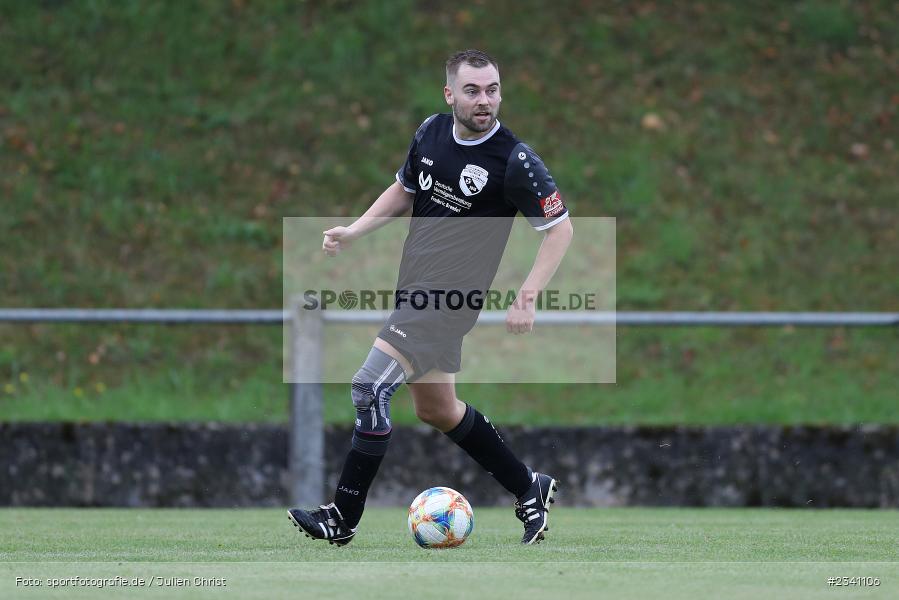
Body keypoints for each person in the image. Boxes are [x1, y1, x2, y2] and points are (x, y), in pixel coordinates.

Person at [288, 49, 573, 546]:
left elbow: (560, 229)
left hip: (446, 301)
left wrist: (527, 296)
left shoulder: (515, 159)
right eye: (472, 90)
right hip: (415, 291)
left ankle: (343, 516)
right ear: (449, 94)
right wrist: (355, 230)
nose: (484, 100)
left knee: (369, 388)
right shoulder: (430, 132)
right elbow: (403, 190)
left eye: (492, 90)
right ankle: (528, 486)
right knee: (438, 410)